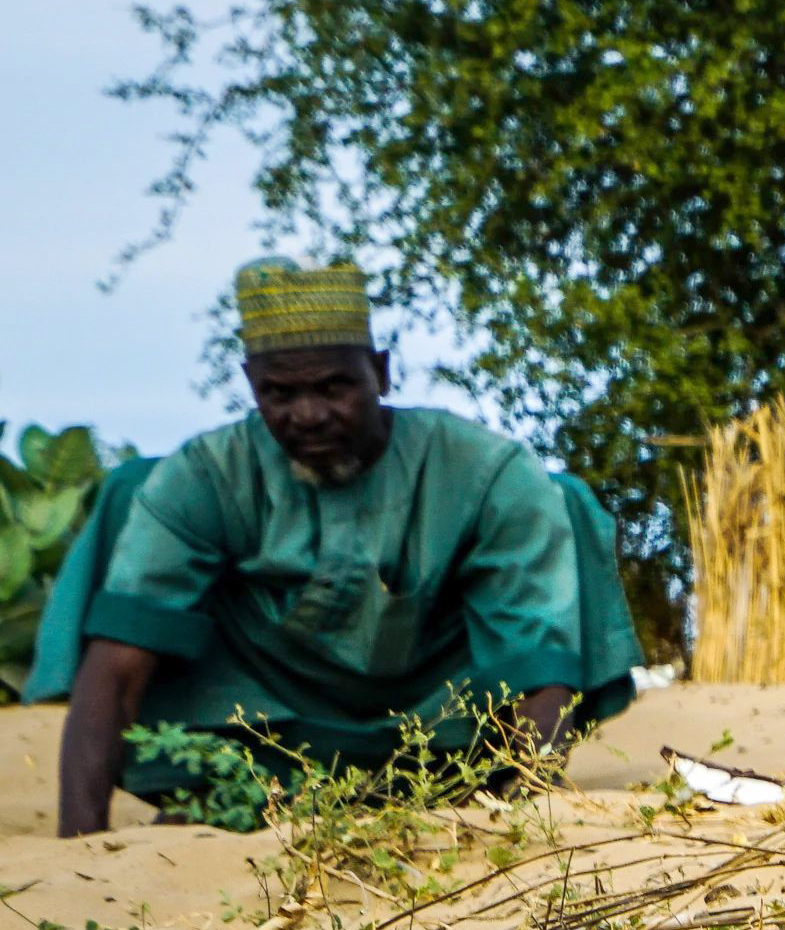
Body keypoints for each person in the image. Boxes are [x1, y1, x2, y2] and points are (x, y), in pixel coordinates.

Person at [37, 261, 641, 834]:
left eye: (336, 387)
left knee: (564, 501)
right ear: (250, 385)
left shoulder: (485, 468)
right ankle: (231, 796)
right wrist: (79, 843)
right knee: (130, 499)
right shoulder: (204, 474)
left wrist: (524, 810)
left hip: (441, 742)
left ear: (380, 372)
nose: (310, 414)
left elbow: (537, 663)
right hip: (257, 740)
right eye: (279, 393)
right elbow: (116, 669)